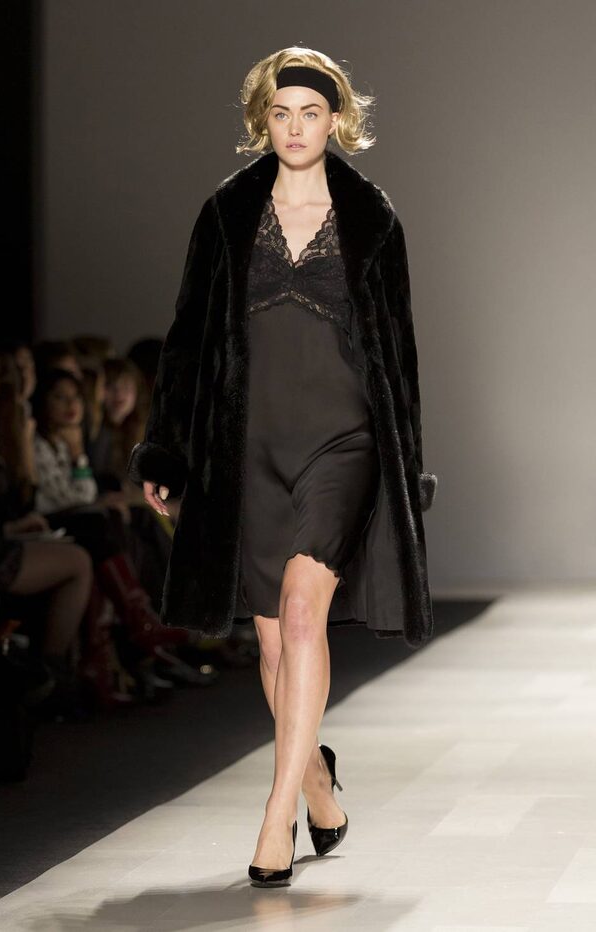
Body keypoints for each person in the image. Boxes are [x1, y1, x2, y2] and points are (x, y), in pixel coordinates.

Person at [128, 47, 437, 887]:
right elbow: (189, 339)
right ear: (261, 121)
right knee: (271, 640)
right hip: (249, 450)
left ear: (336, 121)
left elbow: (399, 355)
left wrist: (407, 467)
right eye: (280, 112)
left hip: (346, 442)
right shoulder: (227, 214)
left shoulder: (372, 220)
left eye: (310, 112)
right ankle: (319, 783)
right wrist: (167, 447)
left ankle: (277, 818)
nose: (295, 127)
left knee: (303, 619)